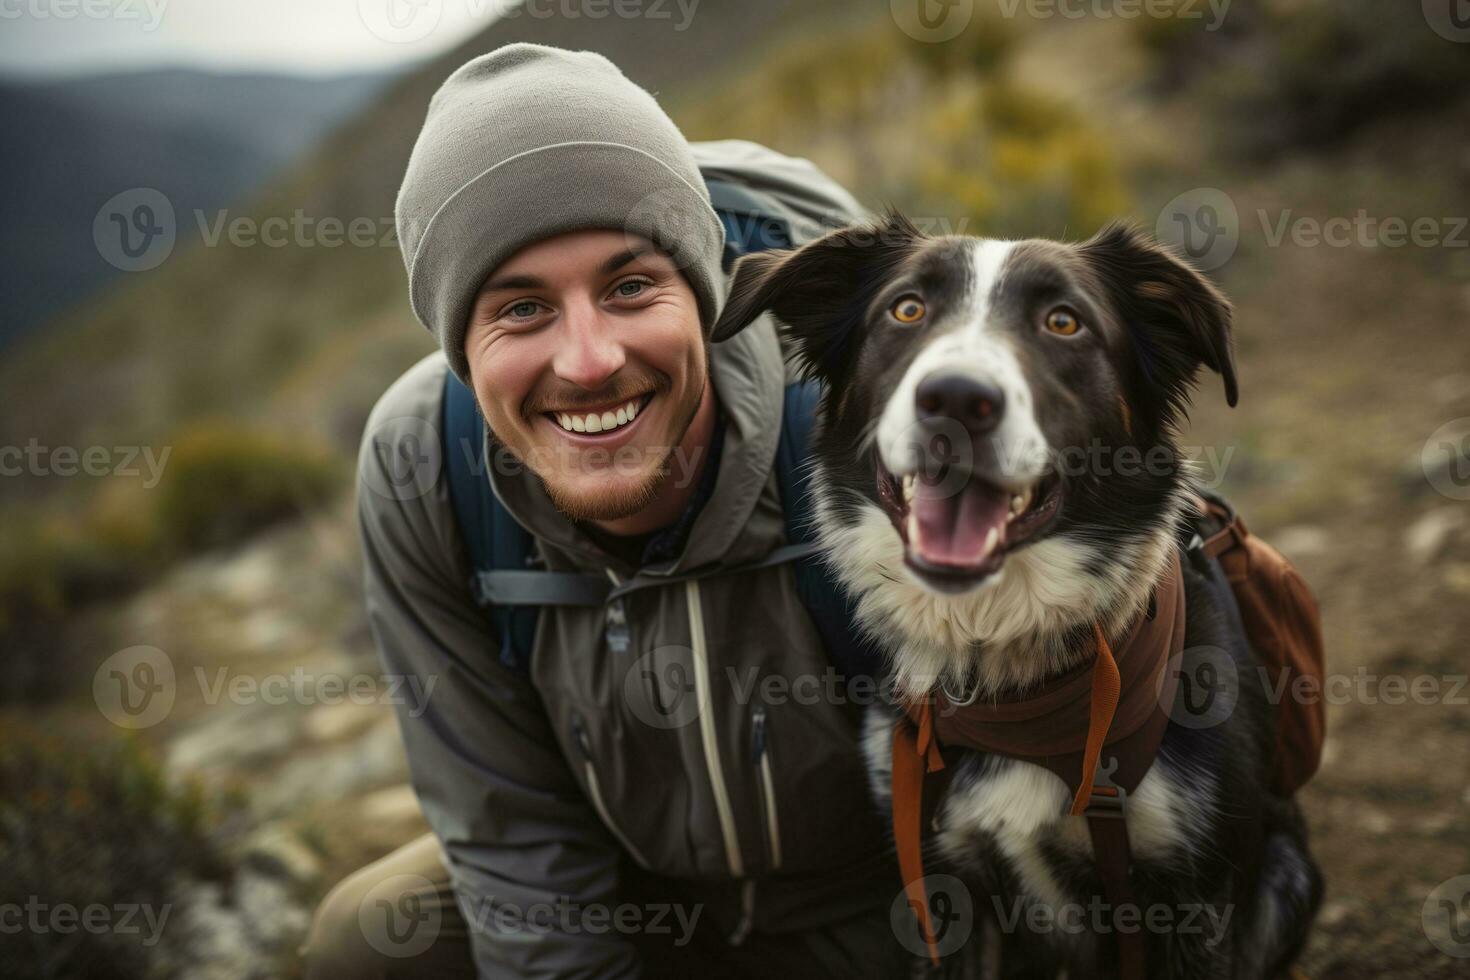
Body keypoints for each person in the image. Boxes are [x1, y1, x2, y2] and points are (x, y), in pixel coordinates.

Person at [303, 43, 907, 979]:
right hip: (647, 903)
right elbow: (516, 843)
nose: (586, 361)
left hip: (892, 908)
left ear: (704, 296)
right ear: (459, 344)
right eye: (520, 309)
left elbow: (1018, 801)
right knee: (371, 937)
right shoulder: (424, 463)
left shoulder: (857, 415)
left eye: (631, 287)